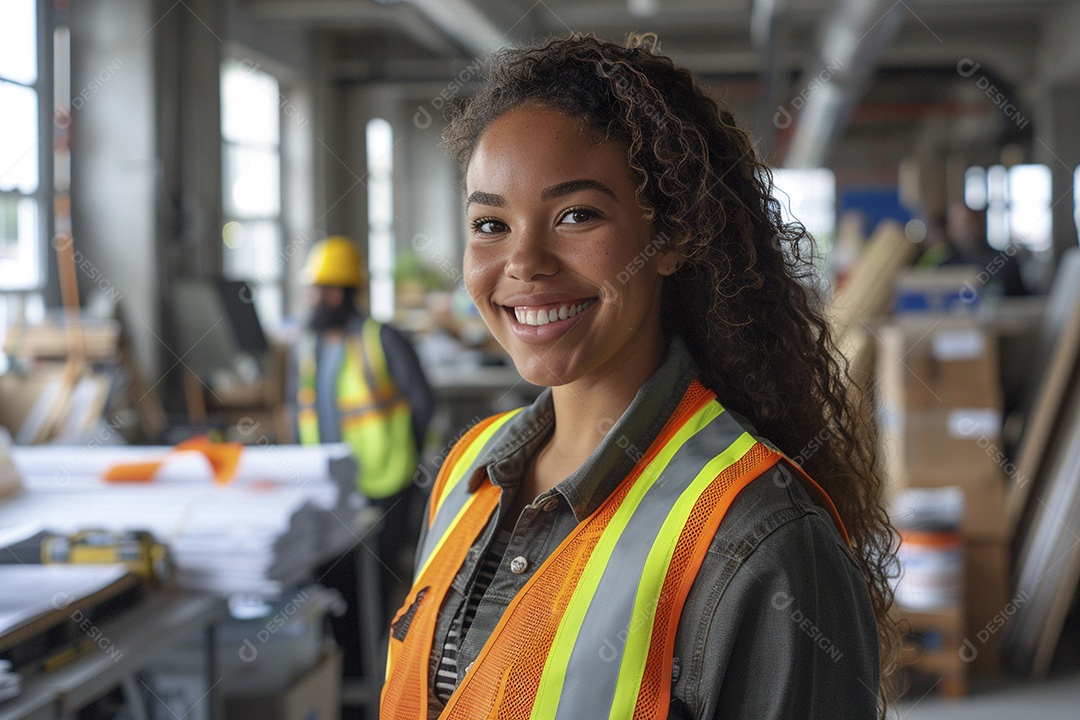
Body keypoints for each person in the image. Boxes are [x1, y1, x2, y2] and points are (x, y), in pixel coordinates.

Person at [381, 34, 896, 720]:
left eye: (576, 215)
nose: (524, 261)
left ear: (671, 236)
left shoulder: (759, 536)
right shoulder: (465, 473)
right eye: (490, 223)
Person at [291, 235, 435, 676]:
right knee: (335, 588)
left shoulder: (381, 339)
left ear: (341, 293)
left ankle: (376, 680)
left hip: (385, 485)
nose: (313, 300)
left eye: (321, 290)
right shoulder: (312, 348)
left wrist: (406, 461)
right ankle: (346, 682)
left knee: (376, 589)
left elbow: (423, 403)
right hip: (332, 493)